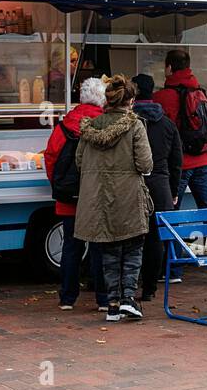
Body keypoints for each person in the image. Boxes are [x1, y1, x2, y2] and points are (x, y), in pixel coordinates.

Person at [75, 75, 155, 323]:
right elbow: (145, 163)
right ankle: (128, 299)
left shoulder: (90, 127)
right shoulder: (135, 126)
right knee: (132, 248)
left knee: (109, 251)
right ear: (130, 101)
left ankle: (111, 304)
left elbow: (79, 161)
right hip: (128, 195)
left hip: (98, 198)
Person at [152, 49, 207, 280]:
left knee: (171, 215)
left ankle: (174, 269)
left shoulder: (163, 97)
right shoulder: (200, 91)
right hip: (204, 161)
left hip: (180, 165)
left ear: (169, 68)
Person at [44, 76, 109, 312]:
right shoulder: (104, 125)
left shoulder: (64, 125)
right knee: (99, 247)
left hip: (68, 198)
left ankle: (67, 298)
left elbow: (50, 157)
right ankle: (102, 298)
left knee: (71, 247)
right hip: (97, 197)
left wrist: (59, 184)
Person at [132, 73, 183, 303]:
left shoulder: (130, 121)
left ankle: (128, 286)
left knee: (132, 238)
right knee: (155, 239)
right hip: (160, 186)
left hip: (134, 185)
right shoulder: (167, 123)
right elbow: (177, 161)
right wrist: (172, 191)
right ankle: (150, 287)